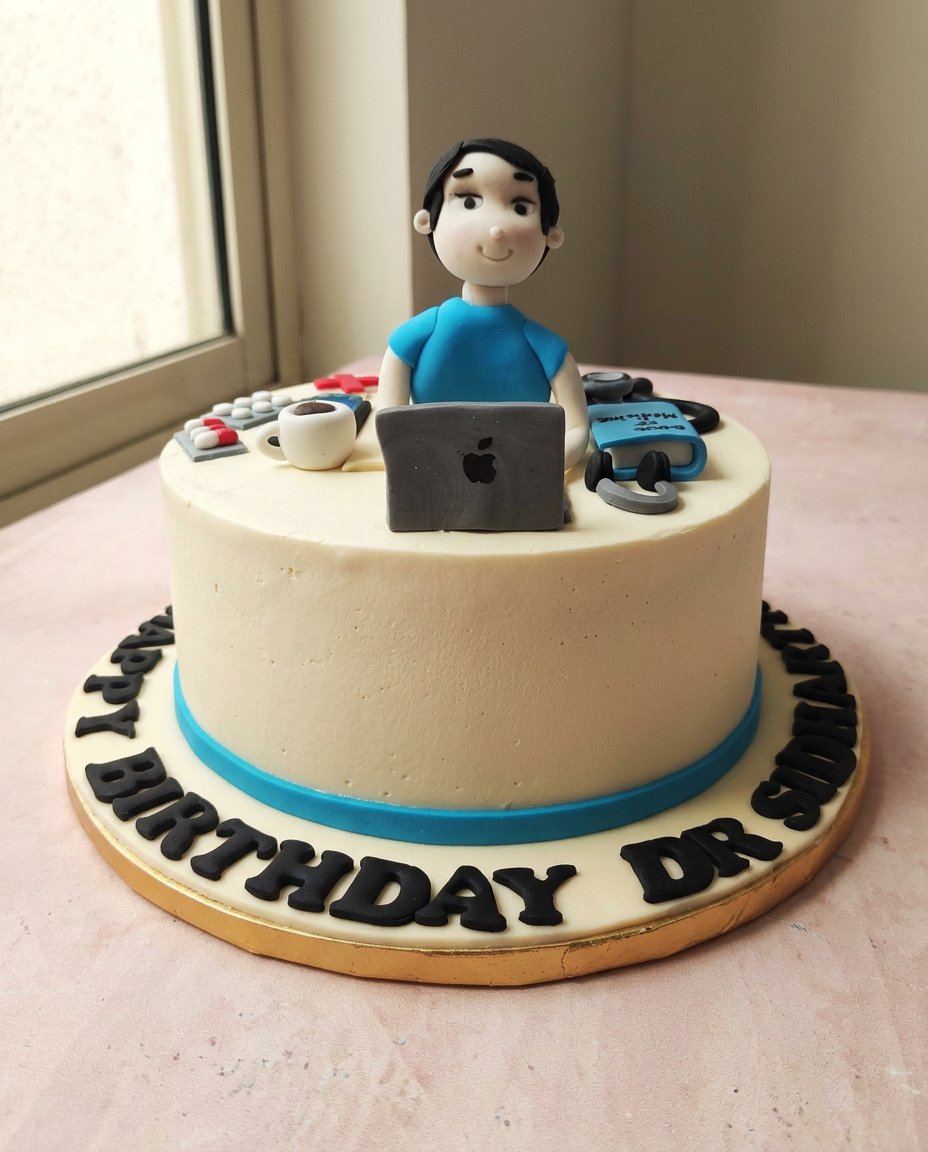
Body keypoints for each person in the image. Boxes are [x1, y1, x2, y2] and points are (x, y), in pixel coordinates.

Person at [378, 138, 589, 469]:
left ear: (551, 234)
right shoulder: (425, 331)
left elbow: (577, 430)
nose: (496, 228)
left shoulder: (544, 346)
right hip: (430, 464)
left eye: (520, 206)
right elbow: (389, 419)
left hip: (519, 468)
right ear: (426, 221)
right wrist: (401, 450)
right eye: (468, 200)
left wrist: (539, 465)